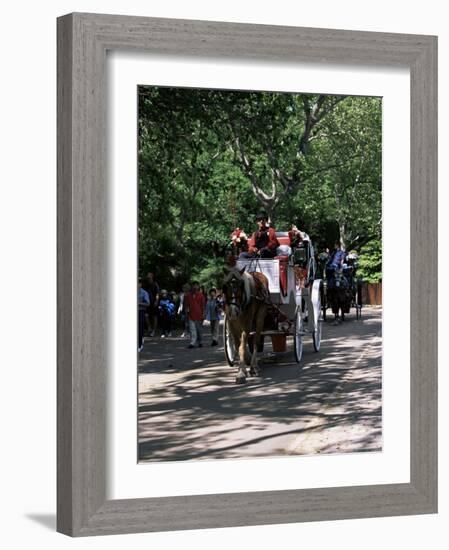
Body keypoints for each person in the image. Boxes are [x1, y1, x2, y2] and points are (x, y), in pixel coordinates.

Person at [184, 281, 206, 349]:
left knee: (199, 329)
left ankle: (200, 342)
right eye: (194, 286)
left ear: (198, 287)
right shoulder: (188, 295)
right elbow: (186, 305)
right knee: (192, 329)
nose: (195, 287)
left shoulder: (201, 295)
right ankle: (192, 342)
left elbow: (203, 305)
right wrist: (186, 312)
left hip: (199, 315)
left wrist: (203, 314)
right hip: (191, 315)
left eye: (196, 286)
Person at [143, 272, 160, 336]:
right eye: (147, 276)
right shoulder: (145, 284)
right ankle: (149, 328)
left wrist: (156, 301)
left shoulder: (155, 284)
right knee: (146, 315)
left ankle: (153, 331)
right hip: (147, 303)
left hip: (153, 303)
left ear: (152, 276)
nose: (148, 277)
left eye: (149, 276)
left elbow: (157, 294)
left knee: (154, 317)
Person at [138, 279, 150, 352]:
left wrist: (139, 303)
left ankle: (140, 345)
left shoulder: (144, 293)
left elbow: (148, 303)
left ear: (140, 284)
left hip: (141, 312)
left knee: (140, 329)